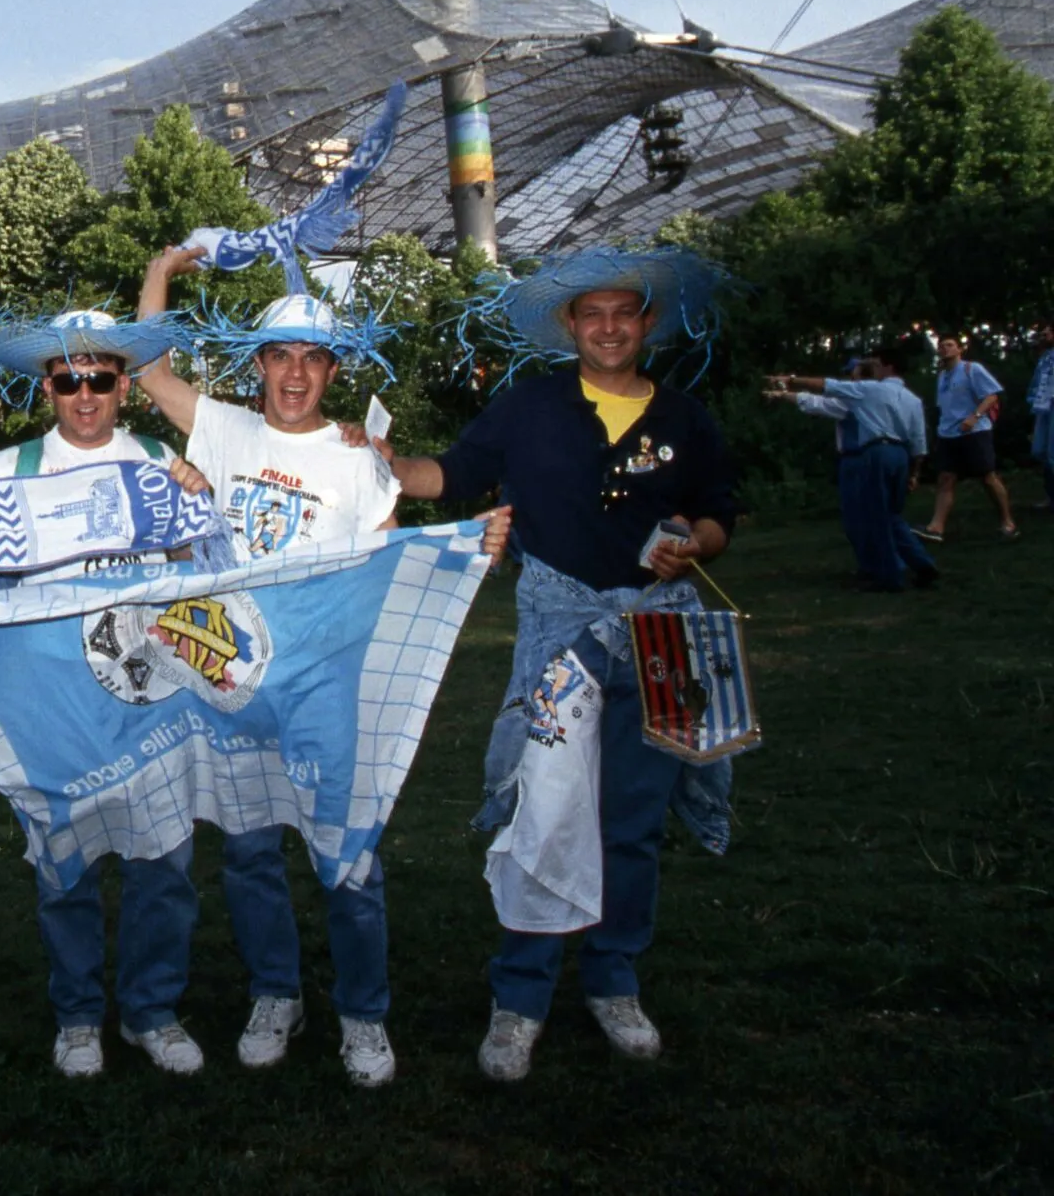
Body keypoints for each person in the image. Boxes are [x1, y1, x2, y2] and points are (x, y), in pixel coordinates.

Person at [134, 247, 496, 1088]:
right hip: (234, 680)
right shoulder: (222, 428)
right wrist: (164, 267)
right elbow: (148, 364)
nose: (295, 373)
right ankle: (276, 993)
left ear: (332, 369)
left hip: (328, 685)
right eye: (280, 355)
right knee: (252, 851)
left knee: (349, 850)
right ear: (259, 364)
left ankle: (364, 1014)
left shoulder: (358, 457)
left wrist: (470, 545)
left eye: (313, 357)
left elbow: (388, 566)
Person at [382, 247, 736, 1082]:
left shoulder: (685, 417)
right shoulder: (531, 406)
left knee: (634, 820)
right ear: (569, 326)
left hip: (659, 638)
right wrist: (390, 467)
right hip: (561, 635)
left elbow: (720, 513)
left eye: (624, 313)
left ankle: (614, 977)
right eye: (592, 314)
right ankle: (522, 996)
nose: (609, 327)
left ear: (647, 322)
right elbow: (455, 473)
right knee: (542, 810)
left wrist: (698, 543)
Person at [0, 309, 213, 1079]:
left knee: (164, 864)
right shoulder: (2, 475)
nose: (83, 395)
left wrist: (191, 505)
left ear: (122, 387)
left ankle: (152, 1009)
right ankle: (77, 1015)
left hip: (150, 699)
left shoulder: (158, 461)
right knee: (63, 866)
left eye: (99, 379)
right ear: (47, 386)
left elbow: (206, 574)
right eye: (68, 379)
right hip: (52, 709)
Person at [768, 342, 935, 590]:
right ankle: (923, 565)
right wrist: (915, 472)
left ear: (888, 367)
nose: (873, 369)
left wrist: (790, 380)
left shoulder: (869, 390)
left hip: (876, 451)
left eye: (876, 364)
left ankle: (889, 576)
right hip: (901, 455)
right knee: (891, 514)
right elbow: (919, 441)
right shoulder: (911, 399)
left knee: (875, 516)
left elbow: (825, 388)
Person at [916, 333, 1017, 542]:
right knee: (946, 478)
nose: (945, 348)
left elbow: (991, 395)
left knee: (987, 477)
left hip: (975, 431)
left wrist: (974, 416)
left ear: (959, 349)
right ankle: (936, 527)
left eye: (950, 345)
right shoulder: (942, 376)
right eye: (941, 345)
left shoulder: (972, 369)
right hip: (948, 433)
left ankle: (1008, 522)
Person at [1029, 322, 1054, 513]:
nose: (1044, 334)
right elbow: (1037, 382)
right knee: (1040, 451)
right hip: (1043, 407)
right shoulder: (1045, 357)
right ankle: (1050, 495)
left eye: (1048, 331)